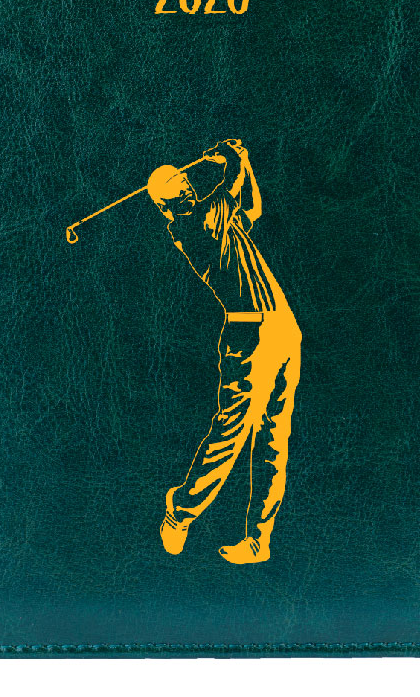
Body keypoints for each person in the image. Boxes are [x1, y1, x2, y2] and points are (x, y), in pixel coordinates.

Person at [146, 139, 302, 564]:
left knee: (274, 438)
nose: (186, 188)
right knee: (231, 433)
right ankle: (180, 510)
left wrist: (244, 161)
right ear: (165, 207)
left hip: (283, 329)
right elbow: (230, 187)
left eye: (183, 181)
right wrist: (235, 157)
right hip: (249, 335)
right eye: (176, 189)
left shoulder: (222, 222)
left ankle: (258, 540)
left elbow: (252, 206)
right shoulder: (194, 227)